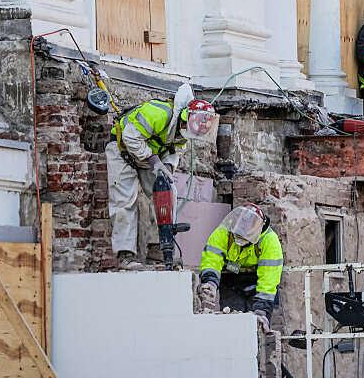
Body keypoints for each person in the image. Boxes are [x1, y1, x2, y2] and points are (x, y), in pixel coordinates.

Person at [106, 84, 218, 270]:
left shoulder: (183, 130)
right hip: (122, 149)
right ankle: (125, 254)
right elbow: (130, 137)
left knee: (166, 193)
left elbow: (175, 151)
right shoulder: (158, 114)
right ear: (185, 118)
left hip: (149, 156)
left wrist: (166, 167)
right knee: (124, 200)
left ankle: (159, 246)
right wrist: (153, 160)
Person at [196, 204, 284, 332]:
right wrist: (210, 283)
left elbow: (269, 279)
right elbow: (212, 259)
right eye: (237, 235)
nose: (239, 239)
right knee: (231, 326)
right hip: (231, 281)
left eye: (244, 237)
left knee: (257, 329)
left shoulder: (270, 241)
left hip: (257, 282)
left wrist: (262, 310)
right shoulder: (224, 231)